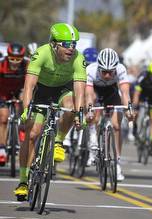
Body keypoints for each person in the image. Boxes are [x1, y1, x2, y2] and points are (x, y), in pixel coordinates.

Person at [14, 23, 86, 201]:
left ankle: (59, 141)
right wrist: (26, 110)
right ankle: (23, 181)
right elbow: (29, 86)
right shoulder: (41, 53)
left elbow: (80, 91)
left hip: (64, 90)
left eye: (74, 44)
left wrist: (79, 114)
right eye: (67, 44)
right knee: (32, 134)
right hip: (41, 92)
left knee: (71, 106)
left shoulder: (78, 58)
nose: (71, 49)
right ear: (54, 44)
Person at [85, 48, 133, 180]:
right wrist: (89, 110)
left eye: (110, 72)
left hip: (111, 93)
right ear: (99, 67)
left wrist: (128, 109)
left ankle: (117, 163)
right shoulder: (90, 70)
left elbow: (125, 93)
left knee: (117, 126)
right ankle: (93, 132)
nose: (107, 75)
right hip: (95, 91)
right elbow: (88, 95)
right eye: (104, 72)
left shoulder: (121, 69)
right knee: (92, 107)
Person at [0, 43, 29, 165]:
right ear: (8, 56)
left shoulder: (27, 64)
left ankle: (22, 126)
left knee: (25, 99)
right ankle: (1, 149)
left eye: (18, 59)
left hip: (19, 91)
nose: (15, 62)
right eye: (12, 58)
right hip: (3, 92)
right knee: (3, 118)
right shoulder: (1, 64)